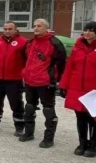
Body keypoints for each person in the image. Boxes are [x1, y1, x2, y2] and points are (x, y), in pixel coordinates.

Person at [58, 22, 96, 157]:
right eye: (86, 30)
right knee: (80, 117)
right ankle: (82, 142)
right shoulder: (76, 49)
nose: (88, 33)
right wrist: (63, 85)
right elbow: (69, 68)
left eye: (91, 30)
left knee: (94, 118)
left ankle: (93, 145)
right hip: (77, 88)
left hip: (95, 91)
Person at [20, 19, 66, 147]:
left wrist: (56, 80)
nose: (36, 28)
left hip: (45, 82)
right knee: (29, 107)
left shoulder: (55, 43)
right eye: (34, 26)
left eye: (39, 26)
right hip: (30, 80)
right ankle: (29, 133)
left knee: (48, 109)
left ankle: (48, 138)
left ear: (46, 28)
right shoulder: (30, 43)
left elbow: (61, 63)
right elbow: (26, 59)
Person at [0, 21, 27, 135]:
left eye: (10, 29)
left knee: (16, 103)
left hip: (14, 79)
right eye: (5, 29)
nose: (7, 31)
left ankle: (19, 126)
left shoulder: (23, 42)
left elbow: (27, 59)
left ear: (15, 30)